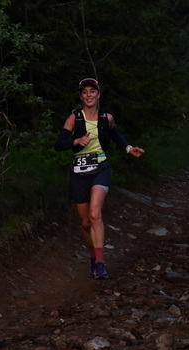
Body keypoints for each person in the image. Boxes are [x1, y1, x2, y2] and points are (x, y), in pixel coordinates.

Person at [54, 78, 145, 279]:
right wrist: (75, 141)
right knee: (85, 222)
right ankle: (93, 258)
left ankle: (100, 263)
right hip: (79, 173)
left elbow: (115, 135)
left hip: (100, 169)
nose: (89, 95)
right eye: (85, 92)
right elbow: (59, 144)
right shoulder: (74, 118)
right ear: (81, 96)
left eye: (92, 91)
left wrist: (129, 148)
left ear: (98, 95)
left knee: (95, 214)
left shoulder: (106, 118)